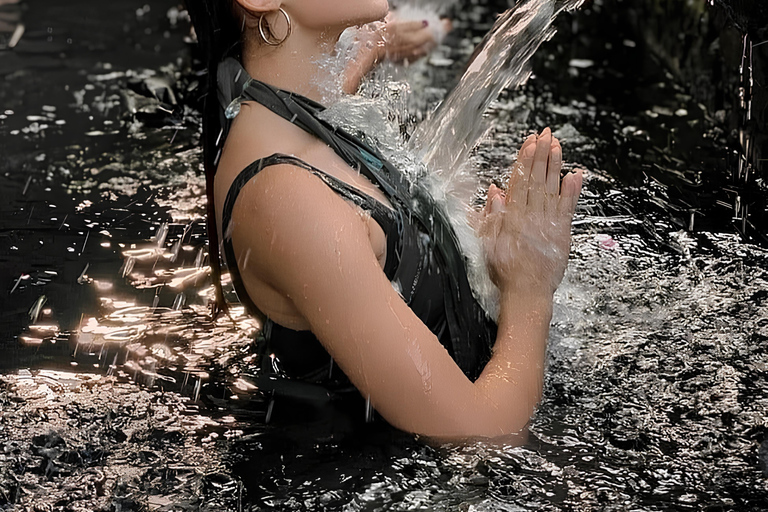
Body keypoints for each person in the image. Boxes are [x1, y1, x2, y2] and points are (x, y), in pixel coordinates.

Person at [185, 0, 582, 440]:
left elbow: (325, 88)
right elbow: (482, 432)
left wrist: (373, 42)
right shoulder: (288, 201)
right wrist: (529, 290)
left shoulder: (280, 110)